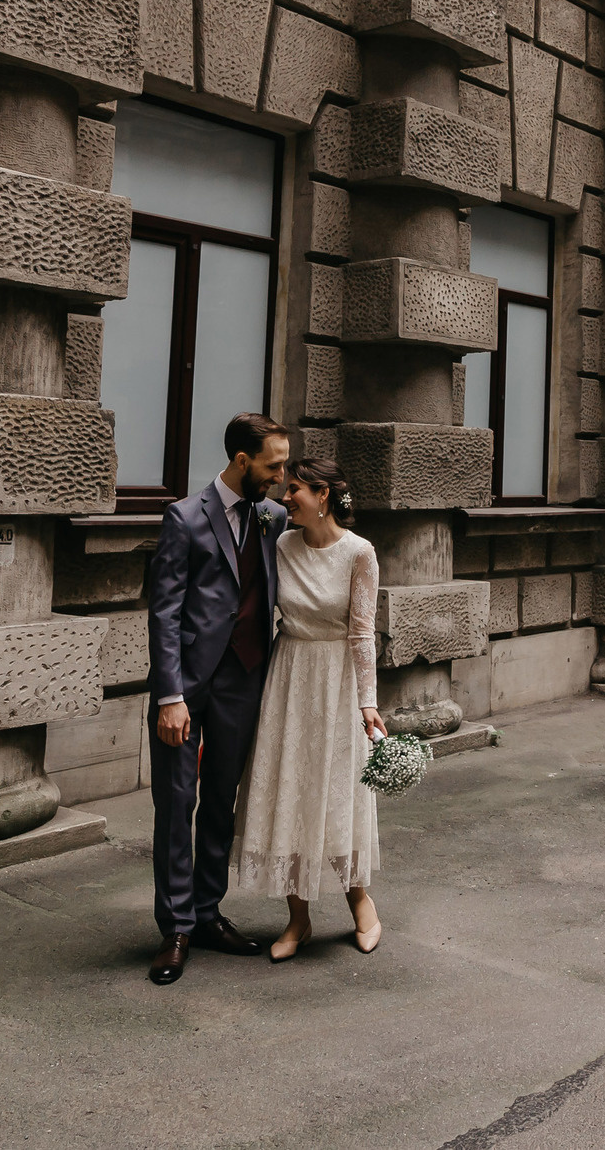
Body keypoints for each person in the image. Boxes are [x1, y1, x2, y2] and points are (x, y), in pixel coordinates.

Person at [140, 412, 292, 986]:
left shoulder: (274, 518)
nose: (280, 476)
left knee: (222, 804)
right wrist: (169, 696)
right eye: (273, 465)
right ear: (241, 461)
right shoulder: (184, 517)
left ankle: (207, 913)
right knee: (177, 804)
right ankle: (175, 927)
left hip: (244, 682)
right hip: (187, 688)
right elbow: (164, 613)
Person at [231, 456, 386, 959]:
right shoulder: (281, 544)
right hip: (290, 677)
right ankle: (297, 918)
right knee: (291, 789)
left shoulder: (360, 553)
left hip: (338, 681)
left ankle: (360, 902)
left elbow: (363, 633)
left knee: (339, 790)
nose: (284, 497)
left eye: (294, 488)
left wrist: (368, 705)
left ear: (323, 495)